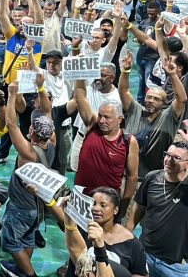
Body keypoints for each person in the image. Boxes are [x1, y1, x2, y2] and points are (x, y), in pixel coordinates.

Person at [0, 79, 57, 277]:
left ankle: (29, 274)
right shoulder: (52, 143)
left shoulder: (28, 152)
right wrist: (41, 88)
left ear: (32, 131)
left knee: (11, 241)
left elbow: (11, 124)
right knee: (28, 238)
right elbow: (48, 112)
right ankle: (21, 270)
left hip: (20, 207)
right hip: (37, 205)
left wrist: (11, 94)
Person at [74, 77, 139, 214]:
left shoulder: (128, 141)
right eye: (100, 115)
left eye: (107, 117)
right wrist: (80, 74)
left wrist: (123, 205)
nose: (102, 120)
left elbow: (132, 176)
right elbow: (80, 97)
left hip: (106, 204)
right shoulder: (92, 125)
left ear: (120, 119)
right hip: (81, 199)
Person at [120, 51, 186, 178]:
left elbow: (181, 100)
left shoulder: (168, 118)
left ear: (164, 103)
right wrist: (125, 71)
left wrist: (172, 75)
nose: (151, 101)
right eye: (148, 97)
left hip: (154, 178)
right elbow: (123, 91)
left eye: (156, 99)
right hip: (126, 175)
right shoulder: (135, 111)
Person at [127, 141, 188, 277]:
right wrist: (127, 234)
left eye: (176, 158)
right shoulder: (152, 178)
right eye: (167, 155)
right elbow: (139, 207)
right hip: (145, 253)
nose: (169, 160)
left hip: (175, 264)